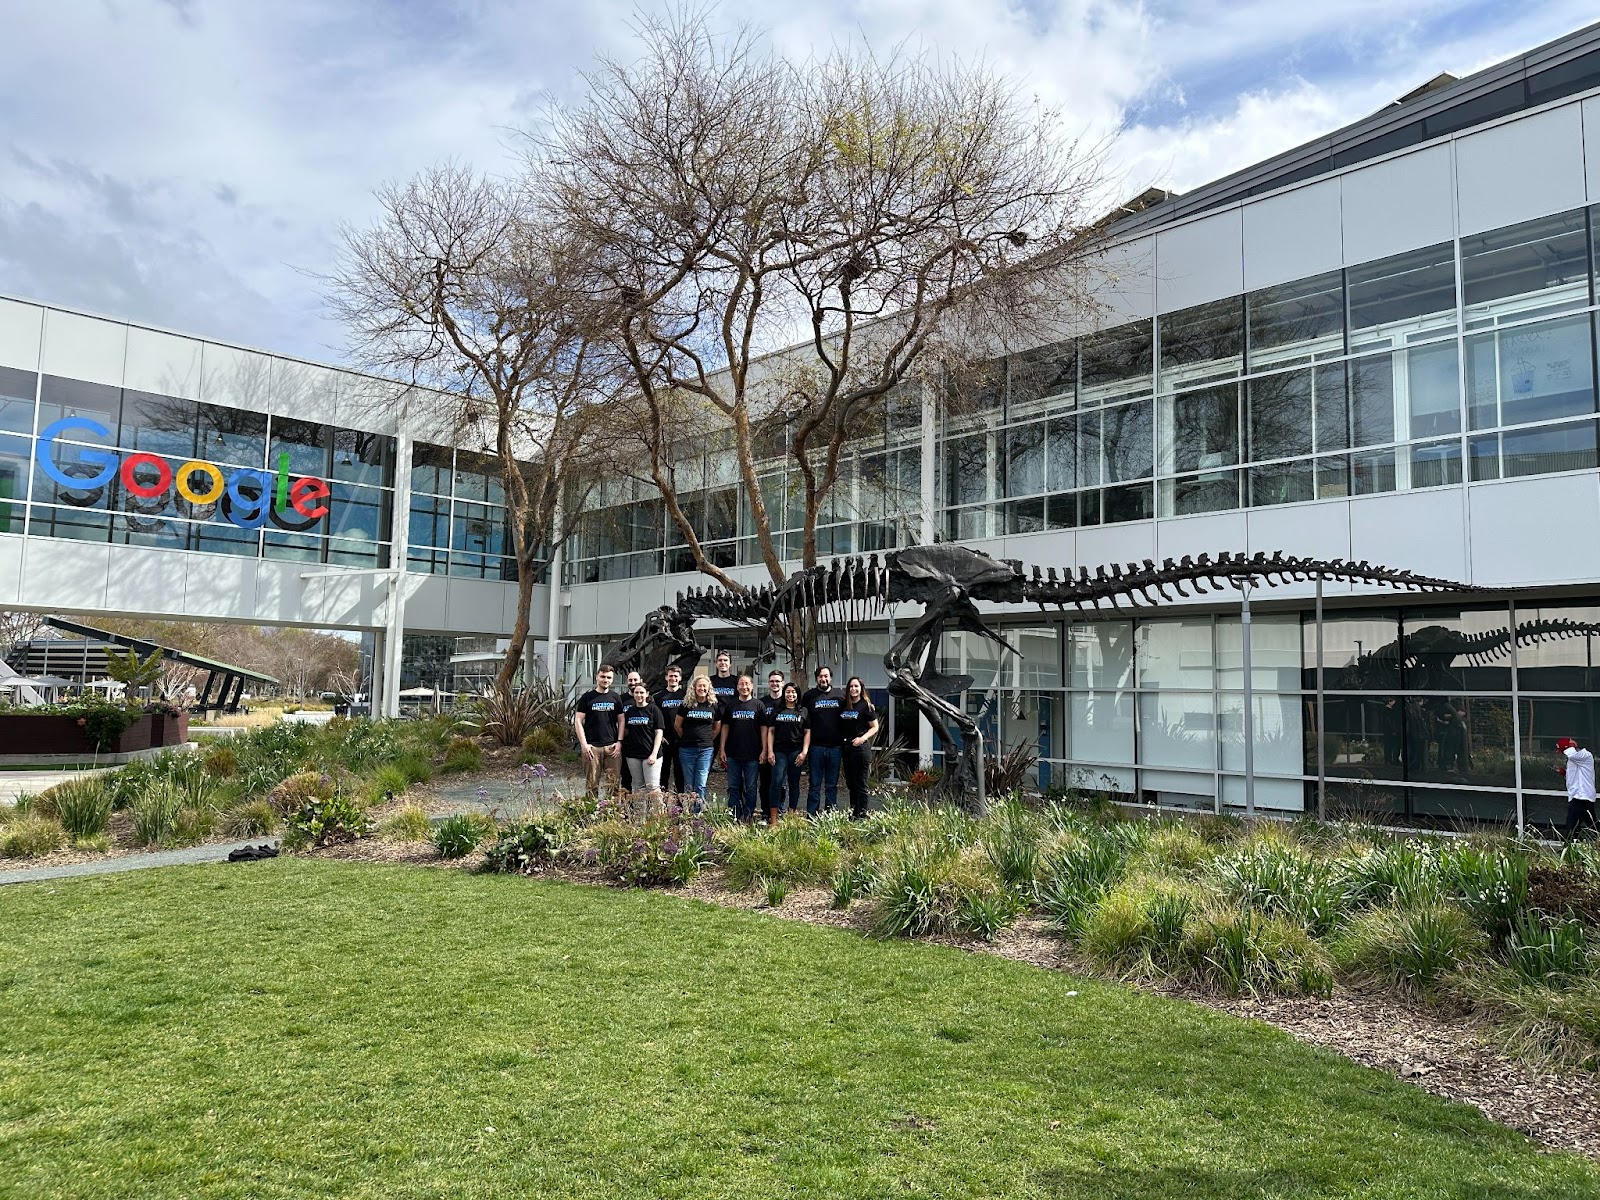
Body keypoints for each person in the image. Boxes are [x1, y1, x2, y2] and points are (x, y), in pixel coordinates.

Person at [573, 664, 623, 799]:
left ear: (612, 680)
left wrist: (619, 742)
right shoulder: (587, 697)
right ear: (597, 677)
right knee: (592, 785)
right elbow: (578, 721)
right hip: (592, 747)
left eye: (608, 677)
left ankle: (611, 814)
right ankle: (591, 815)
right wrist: (583, 744)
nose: (605, 680)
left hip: (612, 747)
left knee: (613, 785)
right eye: (603, 676)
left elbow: (621, 721)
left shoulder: (616, 698)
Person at [719, 675, 765, 822]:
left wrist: (764, 749)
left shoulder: (758, 705)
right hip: (733, 754)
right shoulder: (731, 705)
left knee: (751, 788)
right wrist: (722, 748)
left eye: (747, 684)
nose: (744, 687)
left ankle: (748, 814)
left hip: (752, 754)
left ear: (751, 686)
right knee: (733, 787)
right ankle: (734, 815)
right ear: (737, 687)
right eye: (741, 684)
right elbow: (725, 727)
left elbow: (764, 729)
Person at [764, 682, 810, 823]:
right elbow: (770, 731)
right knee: (776, 783)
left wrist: (804, 752)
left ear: (797, 694)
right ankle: (774, 818)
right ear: (784, 694)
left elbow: (807, 732)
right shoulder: (777, 711)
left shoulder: (803, 711)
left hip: (796, 752)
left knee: (794, 783)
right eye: (788, 692)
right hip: (779, 752)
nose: (791, 695)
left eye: (793, 692)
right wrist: (770, 751)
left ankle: (791, 816)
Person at [620, 681, 666, 815]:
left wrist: (653, 753)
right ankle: (640, 818)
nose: (639, 695)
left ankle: (659, 817)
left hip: (651, 755)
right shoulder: (629, 711)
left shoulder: (654, 710)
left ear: (647, 694)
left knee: (652, 788)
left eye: (641, 692)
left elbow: (659, 733)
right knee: (638, 787)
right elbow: (626, 730)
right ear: (633, 694)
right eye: (636, 692)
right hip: (633, 755)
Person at [838, 676, 881, 820]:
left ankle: (862, 815)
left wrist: (862, 738)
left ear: (861, 688)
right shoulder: (845, 705)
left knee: (861, 783)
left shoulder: (866, 706)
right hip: (847, 749)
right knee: (851, 783)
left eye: (856, 686)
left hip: (861, 750)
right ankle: (854, 813)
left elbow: (875, 727)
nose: (853, 689)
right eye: (851, 686)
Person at [802, 665, 844, 815]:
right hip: (816, 747)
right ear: (816, 679)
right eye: (820, 676)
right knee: (814, 783)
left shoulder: (840, 695)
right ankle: (812, 813)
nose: (823, 679)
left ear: (830, 678)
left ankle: (830, 813)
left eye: (826, 676)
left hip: (835, 747)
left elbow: (854, 707)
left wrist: (869, 703)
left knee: (831, 784)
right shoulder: (809, 696)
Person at [675, 675, 722, 805]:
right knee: (689, 783)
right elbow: (677, 726)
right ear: (694, 688)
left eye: (704, 686)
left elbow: (717, 727)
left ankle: (698, 813)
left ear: (709, 688)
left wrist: (707, 739)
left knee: (700, 783)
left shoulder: (713, 705)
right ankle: (688, 811)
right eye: (699, 686)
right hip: (687, 749)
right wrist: (687, 738)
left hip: (705, 750)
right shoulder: (686, 705)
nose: (702, 688)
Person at [655, 665, 687, 795]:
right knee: (664, 772)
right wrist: (659, 736)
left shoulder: (686, 695)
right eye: (670, 676)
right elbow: (654, 718)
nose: (673, 678)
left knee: (680, 772)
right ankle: (663, 801)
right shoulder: (658, 697)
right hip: (664, 740)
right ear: (666, 677)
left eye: (675, 676)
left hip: (681, 739)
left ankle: (680, 801)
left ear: (680, 678)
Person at [757, 669, 786, 814]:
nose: (775, 684)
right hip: (764, 747)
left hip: (782, 748)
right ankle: (765, 812)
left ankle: (779, 810)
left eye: (777, 681)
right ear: (769, 683)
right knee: (765, 782)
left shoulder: (787, 702)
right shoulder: (762, 702)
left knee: (780, 782)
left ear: (783, 683)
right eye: (772, 681)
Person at [1557, 736, 1596, 838]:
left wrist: (1571, 745)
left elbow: (1572, 755)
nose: (1564, 754)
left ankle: (1568, 849)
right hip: (1579, 796)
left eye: (1563, 751)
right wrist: (1564, 773)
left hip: (1582, 796)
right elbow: (1576, 777)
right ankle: (1571, 847)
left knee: (1571, 826)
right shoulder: (1574, 758)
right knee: (1592, 825)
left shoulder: (1584, 755)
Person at [620, 669, 646, 792]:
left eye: (635, 679)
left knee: (643, 780)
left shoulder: (647, 701)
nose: (633, 682)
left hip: (644, 744)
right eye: (630, 680)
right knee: (625, 777)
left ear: (640, 681)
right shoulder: (620, 699)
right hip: (626, 744)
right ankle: (626, 807)